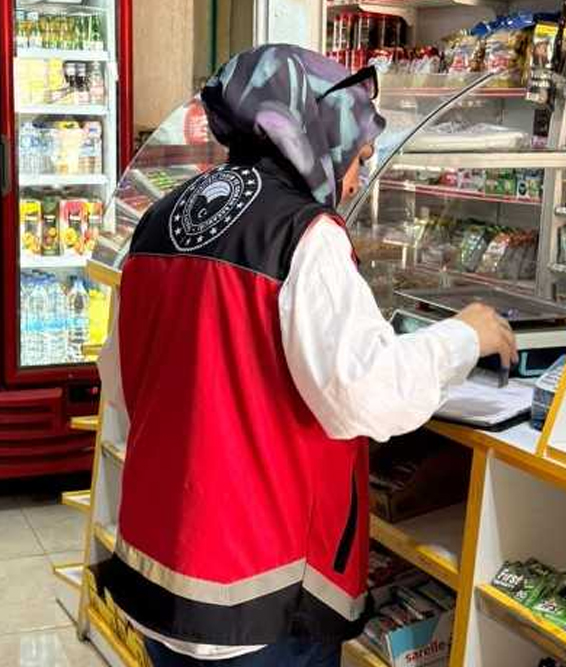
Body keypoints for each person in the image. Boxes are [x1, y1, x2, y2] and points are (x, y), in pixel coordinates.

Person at [94, 45, 517, 666]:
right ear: (318, 134)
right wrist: (466, 335)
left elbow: (120, 376)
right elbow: (366, 394)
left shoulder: (161, 216)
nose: (357, 179)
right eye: (359, 156)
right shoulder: (303, 233)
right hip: (256, 588)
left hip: (162, 572)